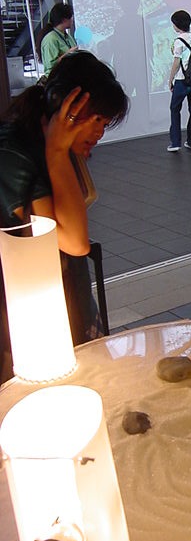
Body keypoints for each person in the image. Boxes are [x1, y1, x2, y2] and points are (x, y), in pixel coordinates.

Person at [0, 51, 129, 383]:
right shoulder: (15, 152)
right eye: (95, 120)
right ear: (65, 105)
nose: (99, 133)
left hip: (60, 294)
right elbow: (73, 241)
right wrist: (57, 151)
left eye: (104, 124)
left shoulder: (49, 144)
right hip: (24, 316)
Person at [167, 10, 191, 152]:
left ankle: (175, 142)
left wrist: (170, 79)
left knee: (175, 109)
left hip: (181, 80)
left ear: (177, 24)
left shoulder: (178, 41)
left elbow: (176, 62)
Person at [36, 2, 78, 78]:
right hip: (57, 80)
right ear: (64, 20)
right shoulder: (50, 39)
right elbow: (50, 66)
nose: (72, 20)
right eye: (71, 17)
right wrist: (68, 54)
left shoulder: (67, 36)